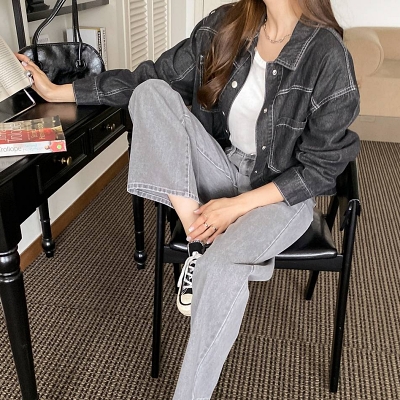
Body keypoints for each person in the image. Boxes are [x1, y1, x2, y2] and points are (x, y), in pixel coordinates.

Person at [17, 0, 360, 398]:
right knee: (150, 94)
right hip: (223, 168)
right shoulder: (229, 22)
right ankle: (199, 235)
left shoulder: (327, 54)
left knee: (221, 267)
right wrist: (60, 90)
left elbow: (319, 170)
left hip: (281, 195)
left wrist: (235, 207)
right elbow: (151, 78)